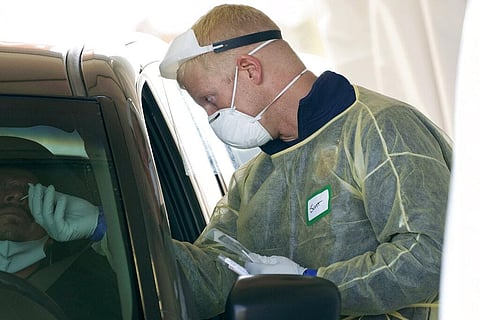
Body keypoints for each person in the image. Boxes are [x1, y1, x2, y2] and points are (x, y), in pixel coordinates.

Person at [155, 4, 452, 319]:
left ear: (250, 69)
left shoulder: (379, 128)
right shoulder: (252, 179)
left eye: (209, 100)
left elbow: (429, 255)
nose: (210, 118)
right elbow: (215, 273)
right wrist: (105, 231)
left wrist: (311, 282)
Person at [0, 167, 120, 320]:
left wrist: (99, 225)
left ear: (50, 235)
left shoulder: (91, 292)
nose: (16, 194)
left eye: (30, 192)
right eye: (1, 187)